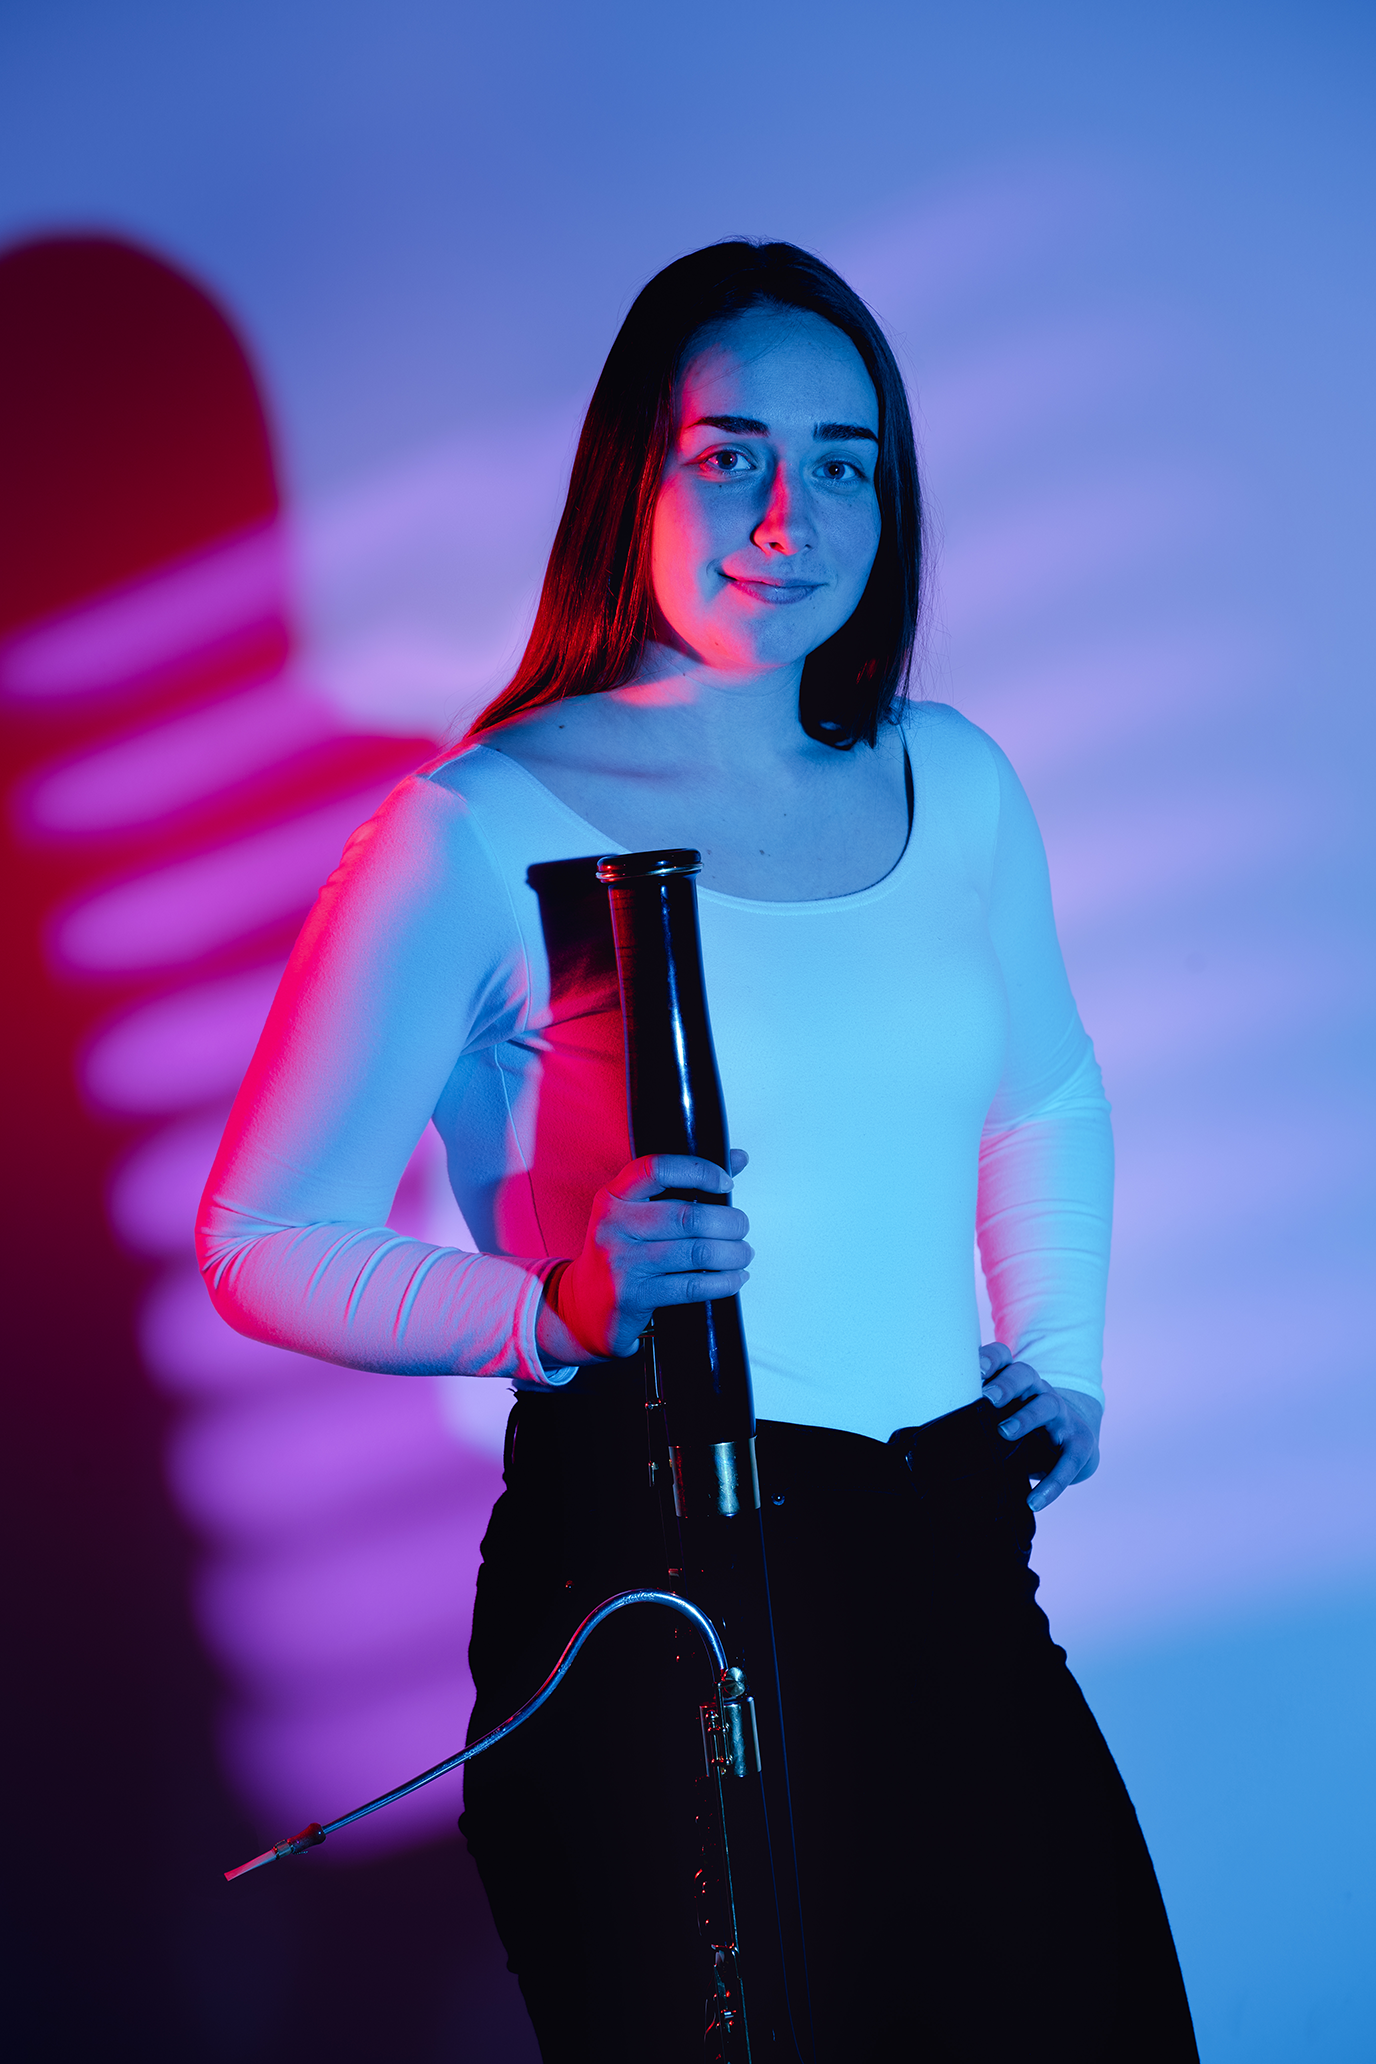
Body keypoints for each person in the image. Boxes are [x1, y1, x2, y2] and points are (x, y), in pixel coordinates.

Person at [198, 240, 1198, 2062]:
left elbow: (1046, 1092)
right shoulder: (472, 829)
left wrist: (1057, 1363)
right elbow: (258, 1232)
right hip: (655, 1595)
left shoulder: (951, 779)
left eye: (842, 461)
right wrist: (553, 1308)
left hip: (952, 1563)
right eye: (728, 451)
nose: (787, 512)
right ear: (631, 478)